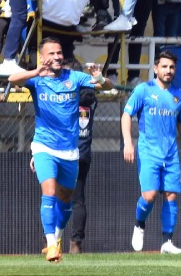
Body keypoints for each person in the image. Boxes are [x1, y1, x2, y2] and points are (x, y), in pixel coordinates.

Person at [8, 37, 113, 262]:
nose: (57, 57)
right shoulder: (36, 79)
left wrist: (99, 78)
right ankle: (50, 245)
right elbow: (11, 79)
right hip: (44, 146)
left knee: (65, 200)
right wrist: (36, 71)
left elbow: (109, 87)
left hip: (70, 151)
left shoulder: (74, 77)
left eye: (59, 53)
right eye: (52, 53)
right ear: (42, 57)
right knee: (49, 193)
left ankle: (56, 238)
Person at [122, 50, 181, 254]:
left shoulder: (180, 95)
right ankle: (139, 225)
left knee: (171, 195)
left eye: (172, 67)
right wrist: (128, 143)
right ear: (155, 68)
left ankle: (167, 242)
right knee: (150, 195)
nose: (168, 70)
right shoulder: (143, 90)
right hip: (148, 152)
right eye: (164, 66)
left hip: (171, 154)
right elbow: (126, 115)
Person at [69, 64, 99, 254]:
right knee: (78, 199)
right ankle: (76, 243)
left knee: (53, 196)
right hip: (84, 154)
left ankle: (51, 241)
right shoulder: (90, 98)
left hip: (64, 153)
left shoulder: (66, 98)